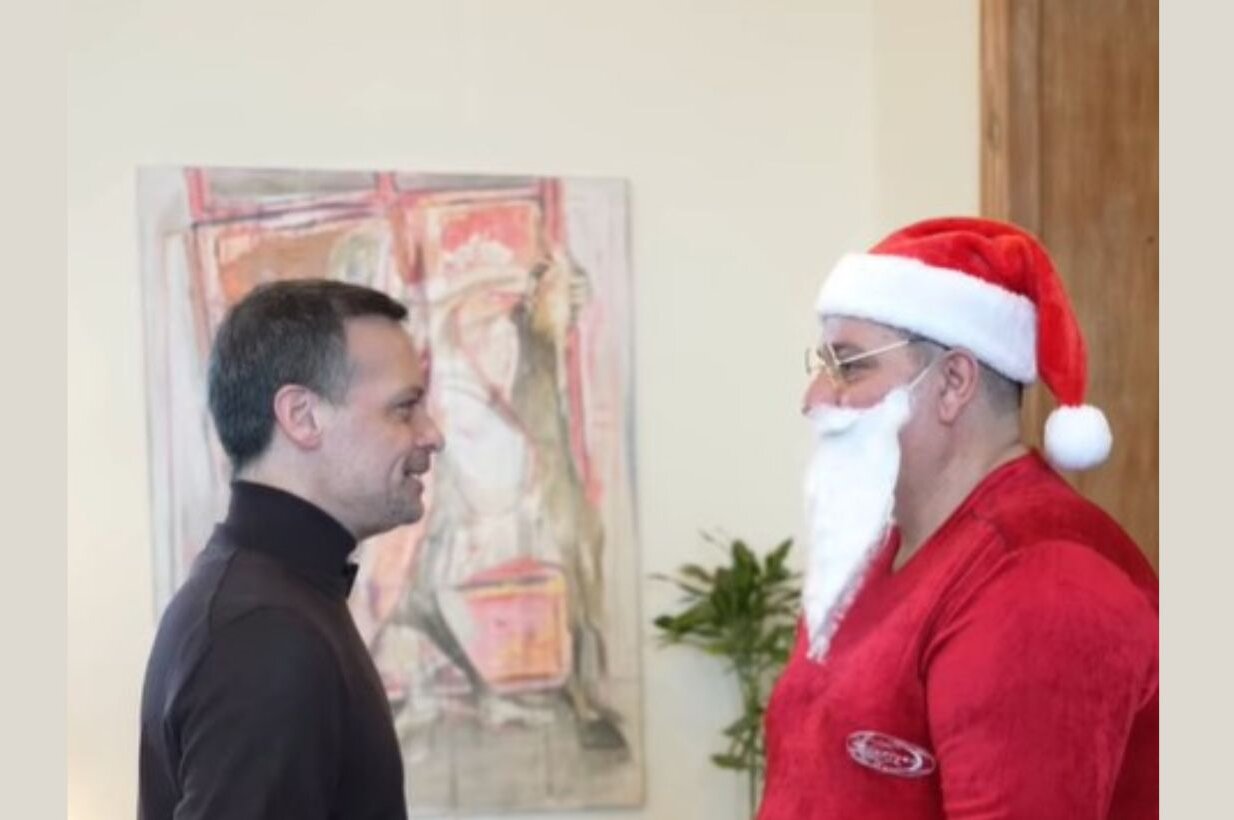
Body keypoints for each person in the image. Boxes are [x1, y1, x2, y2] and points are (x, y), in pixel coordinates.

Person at [757, 217, 1158, 819]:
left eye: (850, 365)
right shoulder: (874, 554)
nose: (813, 397)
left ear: (952, 382)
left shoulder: (1041, 580)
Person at [138, 279, 444, 819]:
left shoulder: (271, 599)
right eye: (404, 409)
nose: (432, 434)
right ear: (301, 416)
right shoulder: (265, 630)